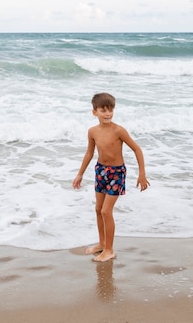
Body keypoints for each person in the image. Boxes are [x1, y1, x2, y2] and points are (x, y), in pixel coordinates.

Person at [72, 92, 150, 262]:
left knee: (107, 211)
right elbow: (89, 153)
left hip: (116, 173)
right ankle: (101, 243)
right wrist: (80, 174)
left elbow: (137, 149)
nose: (107, 113)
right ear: (95, 112)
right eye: (103, 110)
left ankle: (109, 250)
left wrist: (142, 173)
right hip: (100, 171)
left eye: (110, 110)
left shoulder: (118, 130)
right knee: (98, 210)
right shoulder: (92, 131)